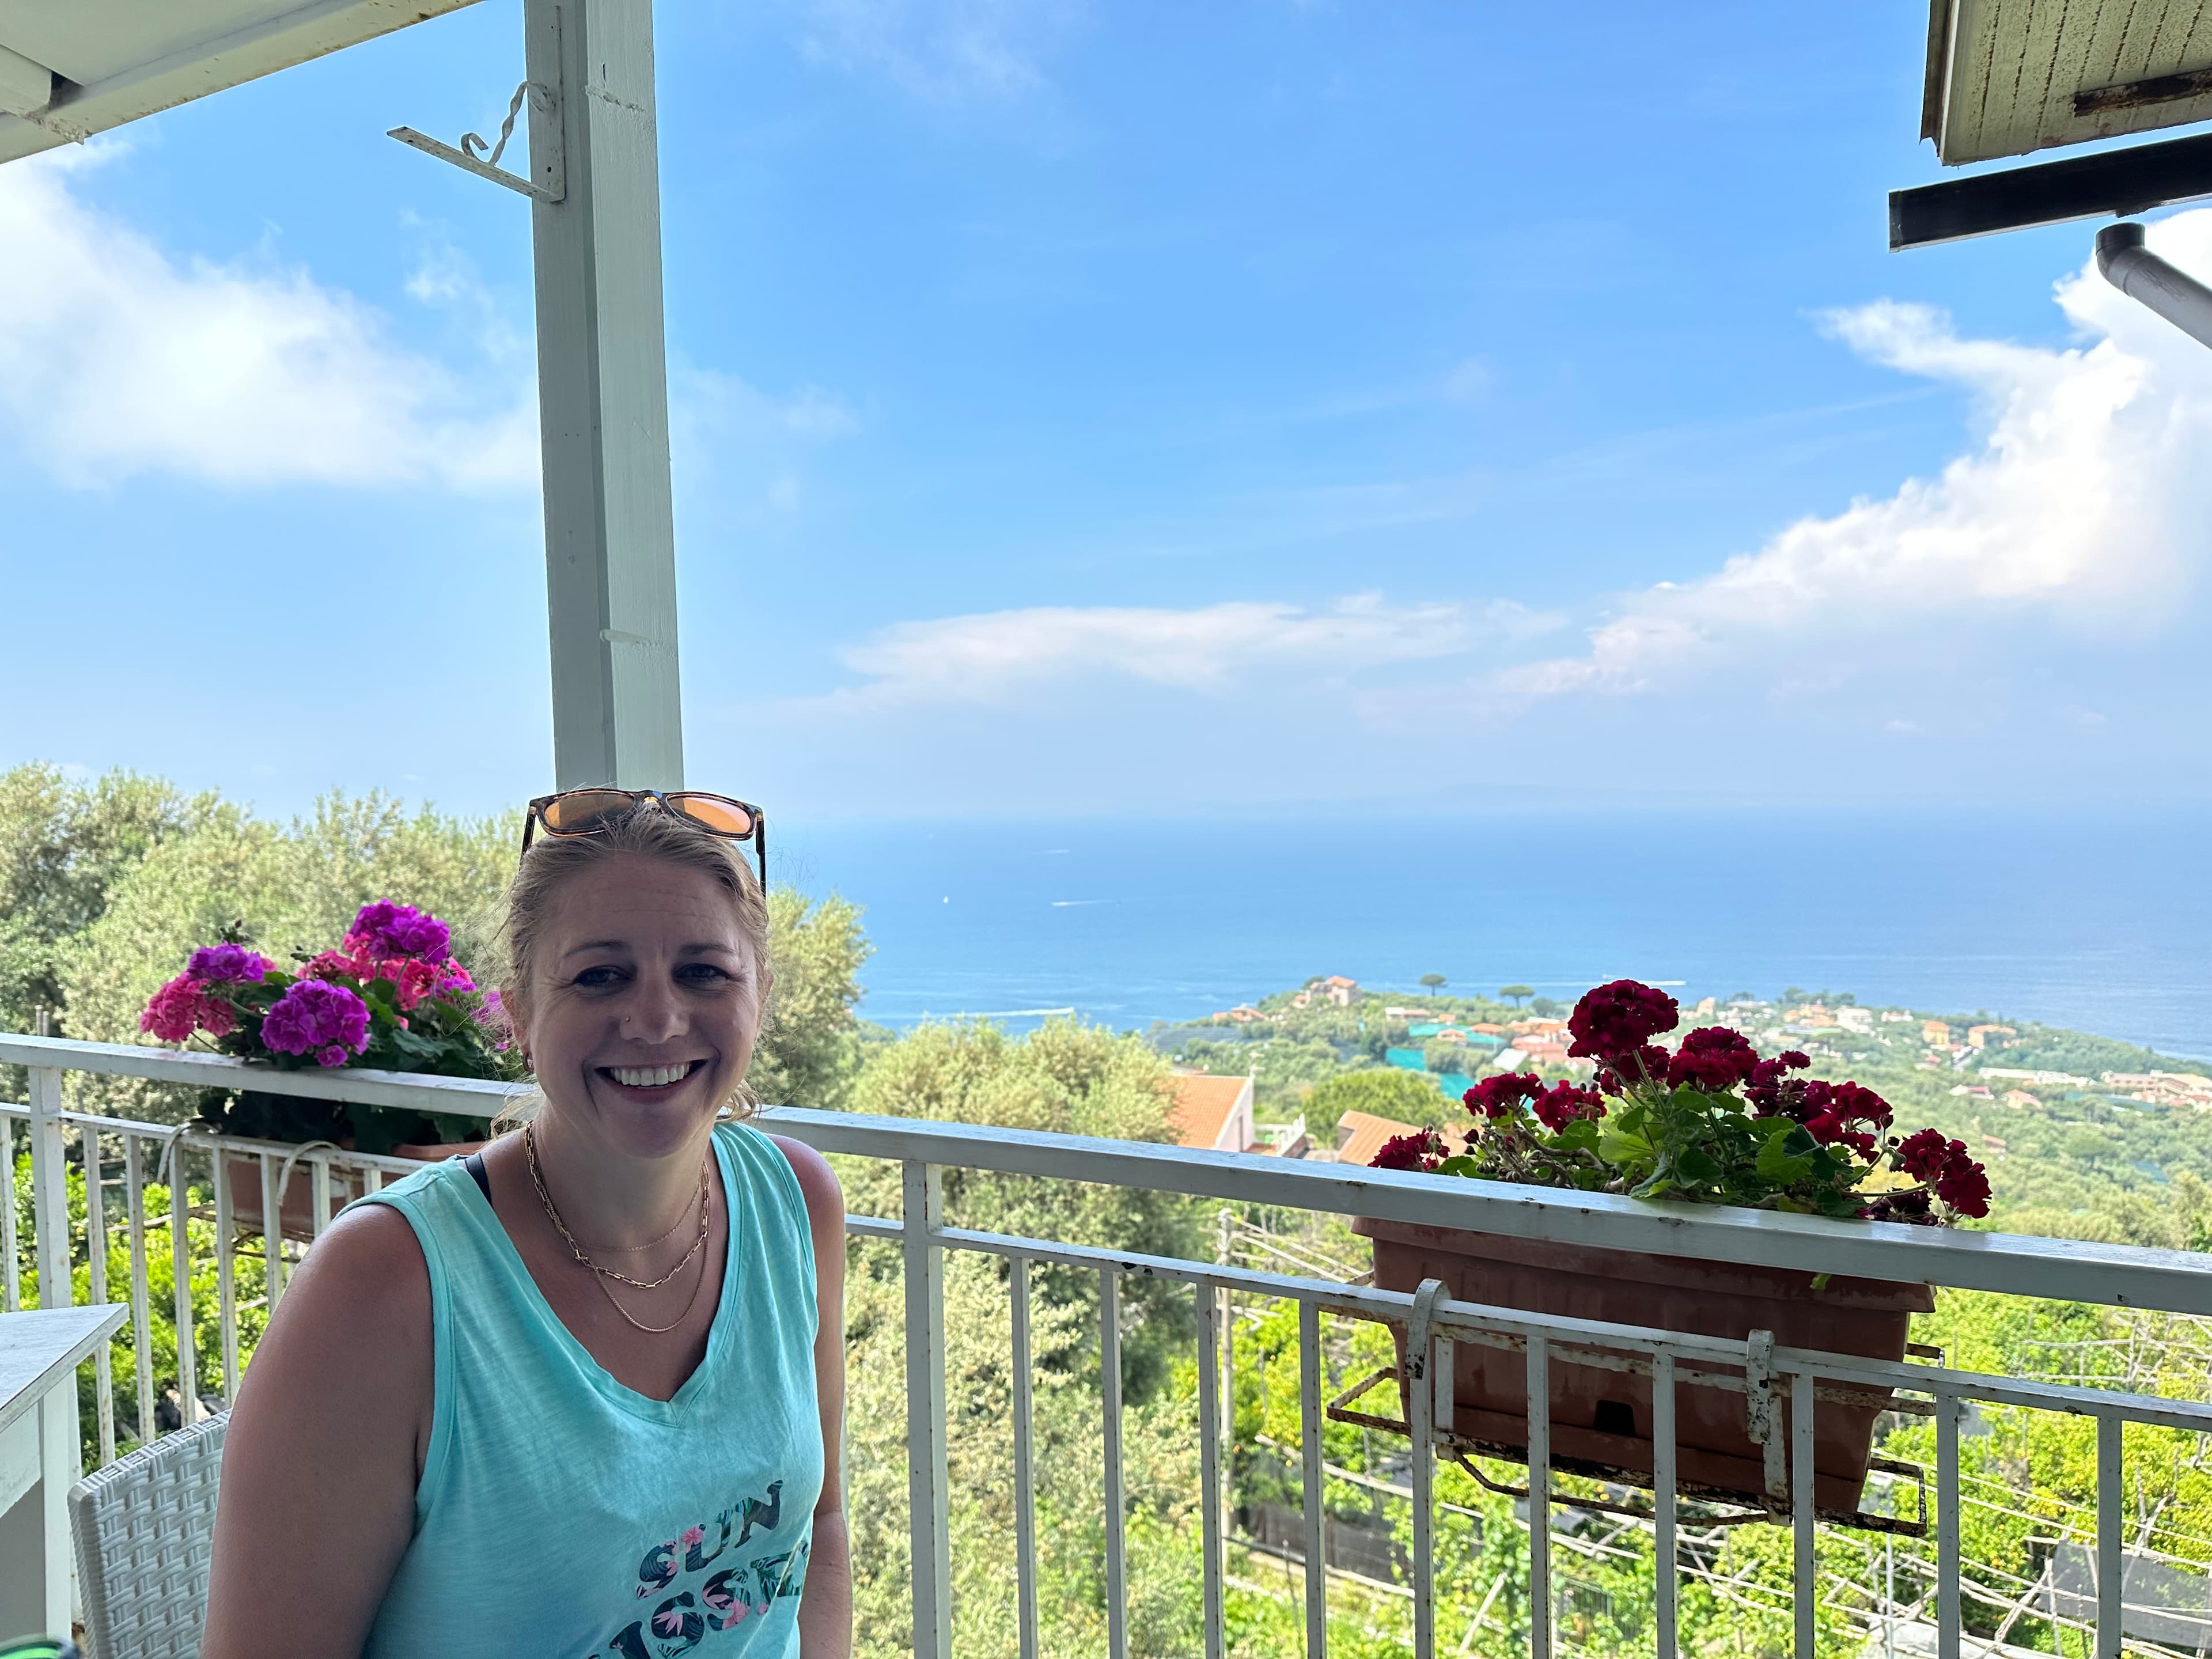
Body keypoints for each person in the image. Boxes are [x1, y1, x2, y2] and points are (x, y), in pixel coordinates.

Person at [202, 793, 850, 1658]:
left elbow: (825, 1525)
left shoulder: (794, 1202)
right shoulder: (385, 1288)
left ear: (759, 997)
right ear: (518, 1014)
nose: (657, 1020)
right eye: (599, 976)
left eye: (704, 972)